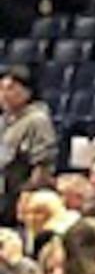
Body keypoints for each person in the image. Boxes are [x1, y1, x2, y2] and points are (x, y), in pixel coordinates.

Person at [0, 67, 52, 211]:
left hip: (18, 195)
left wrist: (27, 196)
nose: (3, 94)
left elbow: (42, 165)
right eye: (1, 89)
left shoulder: (37, 120)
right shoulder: (4, 120)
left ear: (27, 92)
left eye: (10, 89)